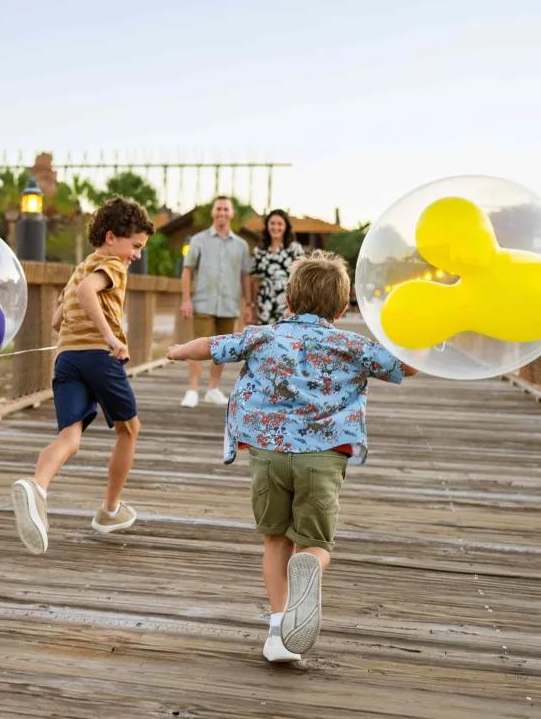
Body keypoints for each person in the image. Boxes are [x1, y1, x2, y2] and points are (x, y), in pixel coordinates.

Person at [167, 250, 416, 663]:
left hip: (268, 455)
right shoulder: (352, 344)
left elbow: (211, 346)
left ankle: (279, 627)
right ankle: (311, 571)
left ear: (288, 300)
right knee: (315, 543)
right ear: (342, 305)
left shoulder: (261, 335)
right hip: (321, 457)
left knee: (274, 539)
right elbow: (405, 368)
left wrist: (177, 351)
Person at [11, 197, 155, 555]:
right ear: (111, 237)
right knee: (129, 429)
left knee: (70, 438)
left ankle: (38, 487)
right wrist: (109, 336)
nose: (135, 254)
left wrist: (81, 319)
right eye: (135, 245)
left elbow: (58, 319)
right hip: (98, 356)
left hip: (66, 360)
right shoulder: (113, 264)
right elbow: (87, 292)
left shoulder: (81, 266)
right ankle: (108, 511)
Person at [179, 195, 253, 408]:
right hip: (203, 302)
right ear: (213, 213)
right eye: (218, 209)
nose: (222, 213)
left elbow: (245, 276)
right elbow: (187, 271)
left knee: (223, 350)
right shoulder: (198, 240)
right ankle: (192, 390)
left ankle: (213, 388)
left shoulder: (241, 245)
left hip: (229, 305)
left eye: (225, 209)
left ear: (231, 214)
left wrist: (248, 304)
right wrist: (186, 300)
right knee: (196, 347)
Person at [251, 209, 306, 325]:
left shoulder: (294, 249)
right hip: (264, 306)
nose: (276, 227)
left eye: (280, 224)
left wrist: (297, 307)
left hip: (287, 306)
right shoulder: (259, 251)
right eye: (272, 223)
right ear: (267, 226)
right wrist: (253, 308)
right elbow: (255, 281)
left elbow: (302, 280)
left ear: (286, 227)